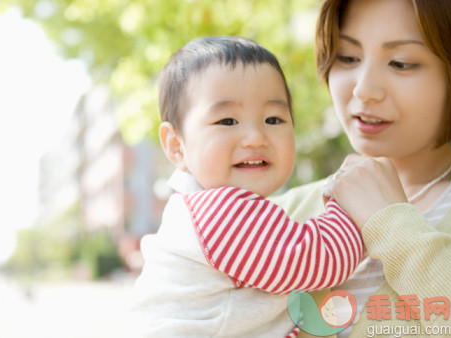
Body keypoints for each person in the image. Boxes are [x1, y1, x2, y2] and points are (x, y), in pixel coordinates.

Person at [131, 36, 373, 337]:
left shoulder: (198, 208)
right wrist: (351, 203)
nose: (256, 137)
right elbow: (321, 260)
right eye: (227, 121)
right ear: (176, 146)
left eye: (273, 119)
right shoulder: (218, 213)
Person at [272, 0, 451, 336]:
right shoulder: (280, 215)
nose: (363, 89)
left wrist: (392, 225)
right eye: (348, 57)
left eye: (401, 63)